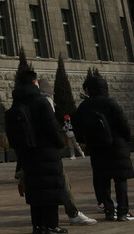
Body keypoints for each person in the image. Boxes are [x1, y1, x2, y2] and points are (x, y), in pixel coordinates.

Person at [8, 72, 68, 234]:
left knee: (34, 189)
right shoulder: (41, 102)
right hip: (46, 151)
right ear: (34, 83)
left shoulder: (16, 104)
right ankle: (51, 226)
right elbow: (51, 127)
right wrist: (60, 145)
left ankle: (38, 226)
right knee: (50, 188)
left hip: (27, 152)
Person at [74, 76, 134, 221]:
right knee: (120, 180)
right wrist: (125, 139)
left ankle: (109, 210)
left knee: (102, 180)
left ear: (88, 89)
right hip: (117, 146)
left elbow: (78, 130)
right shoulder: (111, 103)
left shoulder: (84, 106)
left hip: (97, 147)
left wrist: (87, 141)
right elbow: (124, 126)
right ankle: (122, 212)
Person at [37, 79, 94, 226]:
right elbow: (51, 128)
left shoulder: (28, 103)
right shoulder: (45, 102)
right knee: (62, 181)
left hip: (35, 153)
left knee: (42, 186)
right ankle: (73, 214)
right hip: (48, 152)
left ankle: (42, 221)